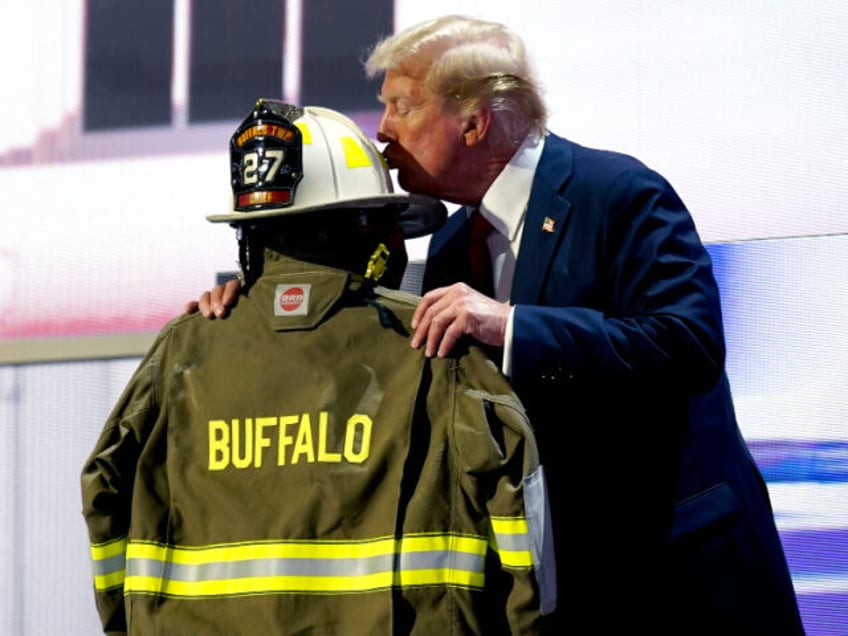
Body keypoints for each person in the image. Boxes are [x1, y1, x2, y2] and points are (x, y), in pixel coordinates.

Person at [191, 16, 806, 635]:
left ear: (476, 122)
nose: (383, 132)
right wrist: (259, 299)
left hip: (680, 579)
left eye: (402, 106)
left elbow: (688, 344)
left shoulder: (618, 193)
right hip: (567, 590)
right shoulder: (457, 241)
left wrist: (513, 327)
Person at [82, 99, 556, 635]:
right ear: (363, 228)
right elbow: (524, 535)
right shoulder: (438, 350)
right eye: (390, 225)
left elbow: (105, 493)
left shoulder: (181, 351)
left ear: (252, 236)